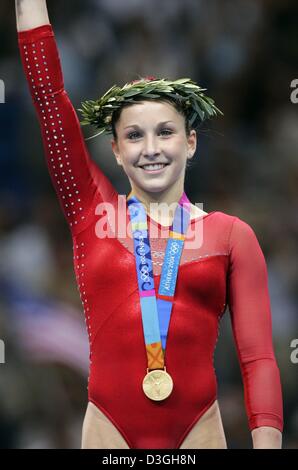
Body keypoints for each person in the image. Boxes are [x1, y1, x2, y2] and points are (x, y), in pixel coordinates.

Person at [15, 0, 283, 449]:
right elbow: (48, 98)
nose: (151, 148)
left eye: (166, 132)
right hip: (109, 433)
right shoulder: (91, 212)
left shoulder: (232, 235)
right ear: (116, 150)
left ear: (191, 142)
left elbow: (258, 359)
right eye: (135, 135)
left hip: (198, 433)